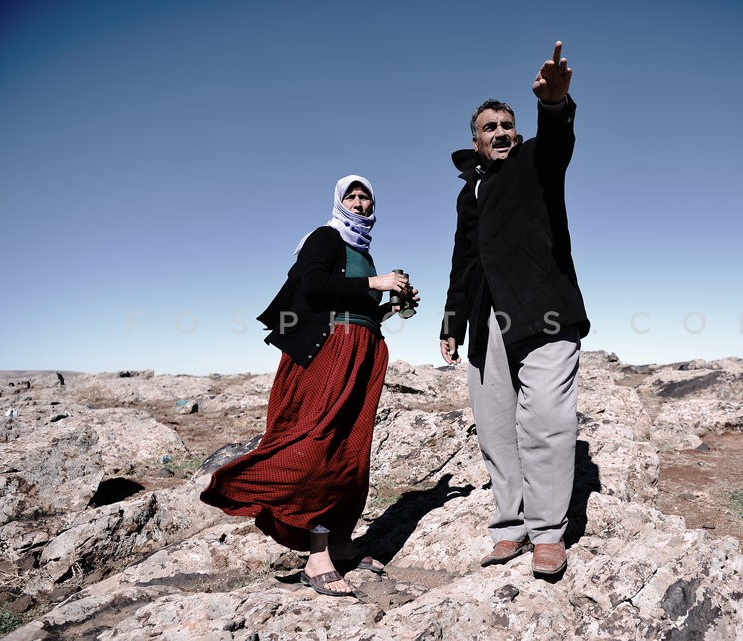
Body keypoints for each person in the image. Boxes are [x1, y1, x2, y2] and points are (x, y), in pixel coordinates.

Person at [202, 175, 417, 597]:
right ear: (340, 202)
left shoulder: (363, 253)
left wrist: (391, 306)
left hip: (365, 352)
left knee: (351, 449)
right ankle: (315, 553)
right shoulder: (325, 237)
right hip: (331, 352)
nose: (359, 202)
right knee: (318, 445)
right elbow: (315, 285)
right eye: (351, 196)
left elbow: (359, 310)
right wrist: (376, 284)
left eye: (365, 197)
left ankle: (339, 542)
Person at [439, 42, 589, 576]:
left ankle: (548, 532)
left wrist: (555, 105)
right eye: (489, 127)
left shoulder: (535, 161)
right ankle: (511, 526)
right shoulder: (469, 193)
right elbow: (464, 260)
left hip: (543, 309)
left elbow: (557, 144)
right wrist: (452, 322)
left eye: (508, 124)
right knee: (496, 428)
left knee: (547, 419)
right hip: (486, 322)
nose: (501, 132)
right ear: (475, 140)